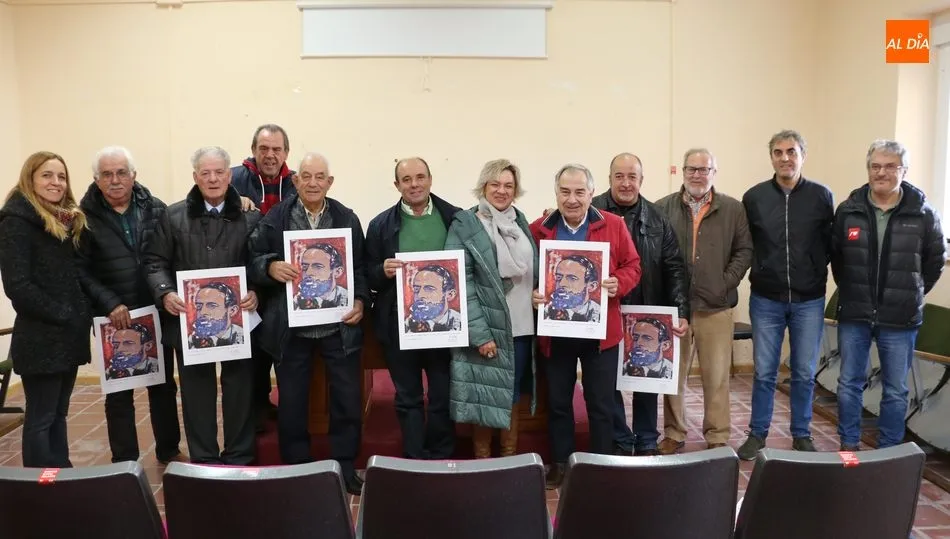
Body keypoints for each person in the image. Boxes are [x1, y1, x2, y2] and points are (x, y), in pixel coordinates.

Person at [249, 152, 368, 494]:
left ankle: (345, 465)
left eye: (320, 177)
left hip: (338, 325)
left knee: (346, 398)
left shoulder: (346, 217)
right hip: (291, 327)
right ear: (296, 180)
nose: (313, 183)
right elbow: (252, 257)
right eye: (306, 176)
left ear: (330, 182)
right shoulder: (275, 217)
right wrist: (270, 267)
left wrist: (360, 300)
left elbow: (359, 268)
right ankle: (298, 466)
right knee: (292, 399)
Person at [144, 146, 261, 465]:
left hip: (238, 320)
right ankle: (205, 458)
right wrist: (166, 293)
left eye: (219, 172)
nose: (213, 179)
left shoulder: (251, 217)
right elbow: (155, 262)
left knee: (239, 389)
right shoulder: (172, 216)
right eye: (205, 173)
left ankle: (239, 456)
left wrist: (256, 292)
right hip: (189, 321)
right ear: (195, 176)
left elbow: (260, 262)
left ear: (229, 175)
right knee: (196, 392)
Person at [530, 163, 641, 488]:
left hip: (600, 334)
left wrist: (618, 283)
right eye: (565, 192)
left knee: (601, 404)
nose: (572, 199)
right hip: (556, 333)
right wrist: (534, 294)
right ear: (556, 193)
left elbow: (633, 265)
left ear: (592, 193)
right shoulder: (539, 229)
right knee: (558, 403)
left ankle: (600, 466)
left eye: (580, 192)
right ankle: (561, 464)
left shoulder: (614, 225)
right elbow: (528, 274)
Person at [832, 140, 945, 450]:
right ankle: (849, 446)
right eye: (875, 166)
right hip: (855, 313)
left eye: (890, 166)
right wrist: (853, 291)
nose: (881, 172)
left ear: (904, 170)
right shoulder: (848, 210)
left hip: (900, 316)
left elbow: (934, 262)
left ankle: (889, 451)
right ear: (868, 169)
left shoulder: (923, 214)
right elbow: (838, 259)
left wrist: (910, 292)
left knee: (895, 390)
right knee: (849, 383)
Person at [77, 145, 185, 464]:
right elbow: (79, 270)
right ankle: (124, 460)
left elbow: (169, 257)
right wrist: (109, 303)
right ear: (96, 180)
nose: (115, 180)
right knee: (118, 394)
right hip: (113, 318)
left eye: (121, 173)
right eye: (107, 174)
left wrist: (165, 294)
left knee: (162, 387)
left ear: (133, 175)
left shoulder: (156, 209)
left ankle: (169, 450)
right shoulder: (83, 218)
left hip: (155, 312)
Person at [738, 130, 834, 460]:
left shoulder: (821, 196)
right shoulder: (754, 197)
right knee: (764, 371)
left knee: (804, 372)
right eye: (778, 152)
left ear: (802, 155)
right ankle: (757, 433)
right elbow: (747, 244)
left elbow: (830, 243)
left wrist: (814, 269)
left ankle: (801, 434)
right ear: (771, 158)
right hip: (766, 298)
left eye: (791, 151)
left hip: (809, 299)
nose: (785, 158)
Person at [655, 148, 752, 454]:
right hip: (676, 309)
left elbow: (744, 250)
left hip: (716, 306)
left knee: (717, 376)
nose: (697, 175)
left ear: (714, 172)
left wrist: (724, 283)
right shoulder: (662, 208)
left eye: (704, 169)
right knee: (672, 376)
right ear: (683, 171)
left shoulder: (733, 209)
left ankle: (717, 436)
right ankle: (674, 432)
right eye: (691, 169)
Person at [593, 152, 689, 457]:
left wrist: (681, 311)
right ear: (609, 179)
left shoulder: (658, 217)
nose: (625, 183)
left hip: (647, 308)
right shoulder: (591, 211)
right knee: (607, 382)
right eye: (619, 176)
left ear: (641, 180)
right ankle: (620, 438)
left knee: (646, 378)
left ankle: (646, 438)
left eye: (632, 177)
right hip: (606, 311)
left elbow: (674, 267)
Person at [366, 156, 461, 459]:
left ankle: (441, 453)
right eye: (406, 180)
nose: (414, 184)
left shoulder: (455, 218)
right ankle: (414, 457)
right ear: (397, 185)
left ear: (430, 180)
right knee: (408, 397)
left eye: (420, 177)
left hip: (445, 326)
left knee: (442, 394)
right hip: (398, 324)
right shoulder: (380, 225)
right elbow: (366, 274)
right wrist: (382, 270)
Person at [0, 151, 91, 467]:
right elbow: (18, 286)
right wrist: (63, 314)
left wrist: (78, 314)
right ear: (30, 179)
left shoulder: (64, 220)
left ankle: (59, 473)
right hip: (40, 338)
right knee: (41, 417)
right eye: (47, 175)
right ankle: (39, 484)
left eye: (61, 176)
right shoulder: (16, 222)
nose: (56, 182)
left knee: (59, 413)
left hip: (67, 336)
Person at [444, 159, 539, 459]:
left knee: (511, 394)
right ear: (483, 186)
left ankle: (509, 460)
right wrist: (480, 334)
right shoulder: (466, 224)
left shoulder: (520, 221)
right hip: (486, 329)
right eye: (495, 184)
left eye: (508, 185)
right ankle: (483, 464)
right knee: (485, 396)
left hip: (522, 326)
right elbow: (459, 282)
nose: (502, 190)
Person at [231, 124, 296, 429]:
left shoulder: (297, 183)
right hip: (248, 280)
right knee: (252, 353)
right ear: (253, 150)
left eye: (277, 149)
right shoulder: (232, 180)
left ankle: (280, 407)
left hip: (284, 280)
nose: (270, 155)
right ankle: (255, 411)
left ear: (286, 152)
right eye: (264, 149)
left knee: (282, 348)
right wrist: (233, 202)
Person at [404, 265, 463, 332]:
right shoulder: (406, 327)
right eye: (416, 289)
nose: (420, 295)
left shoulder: (462, 323)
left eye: (429, 289)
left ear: (450, 295)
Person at [543, 255, 602, 323]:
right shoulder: (547, 312)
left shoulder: (600, 314)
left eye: (572, 278)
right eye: (559, 277)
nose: (561, 284)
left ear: (591, 286)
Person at [188, 283, 245, 348]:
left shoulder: (244, 337)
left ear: (232, 311)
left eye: (212, 306)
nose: (202, 312)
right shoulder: (191, 341)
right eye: (199, 306)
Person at [294, 244, 348, 310]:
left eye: (318, 267)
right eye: (305, 267)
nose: (308, 273)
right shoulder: (296, 302)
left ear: (337, 272)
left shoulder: (348, 299)